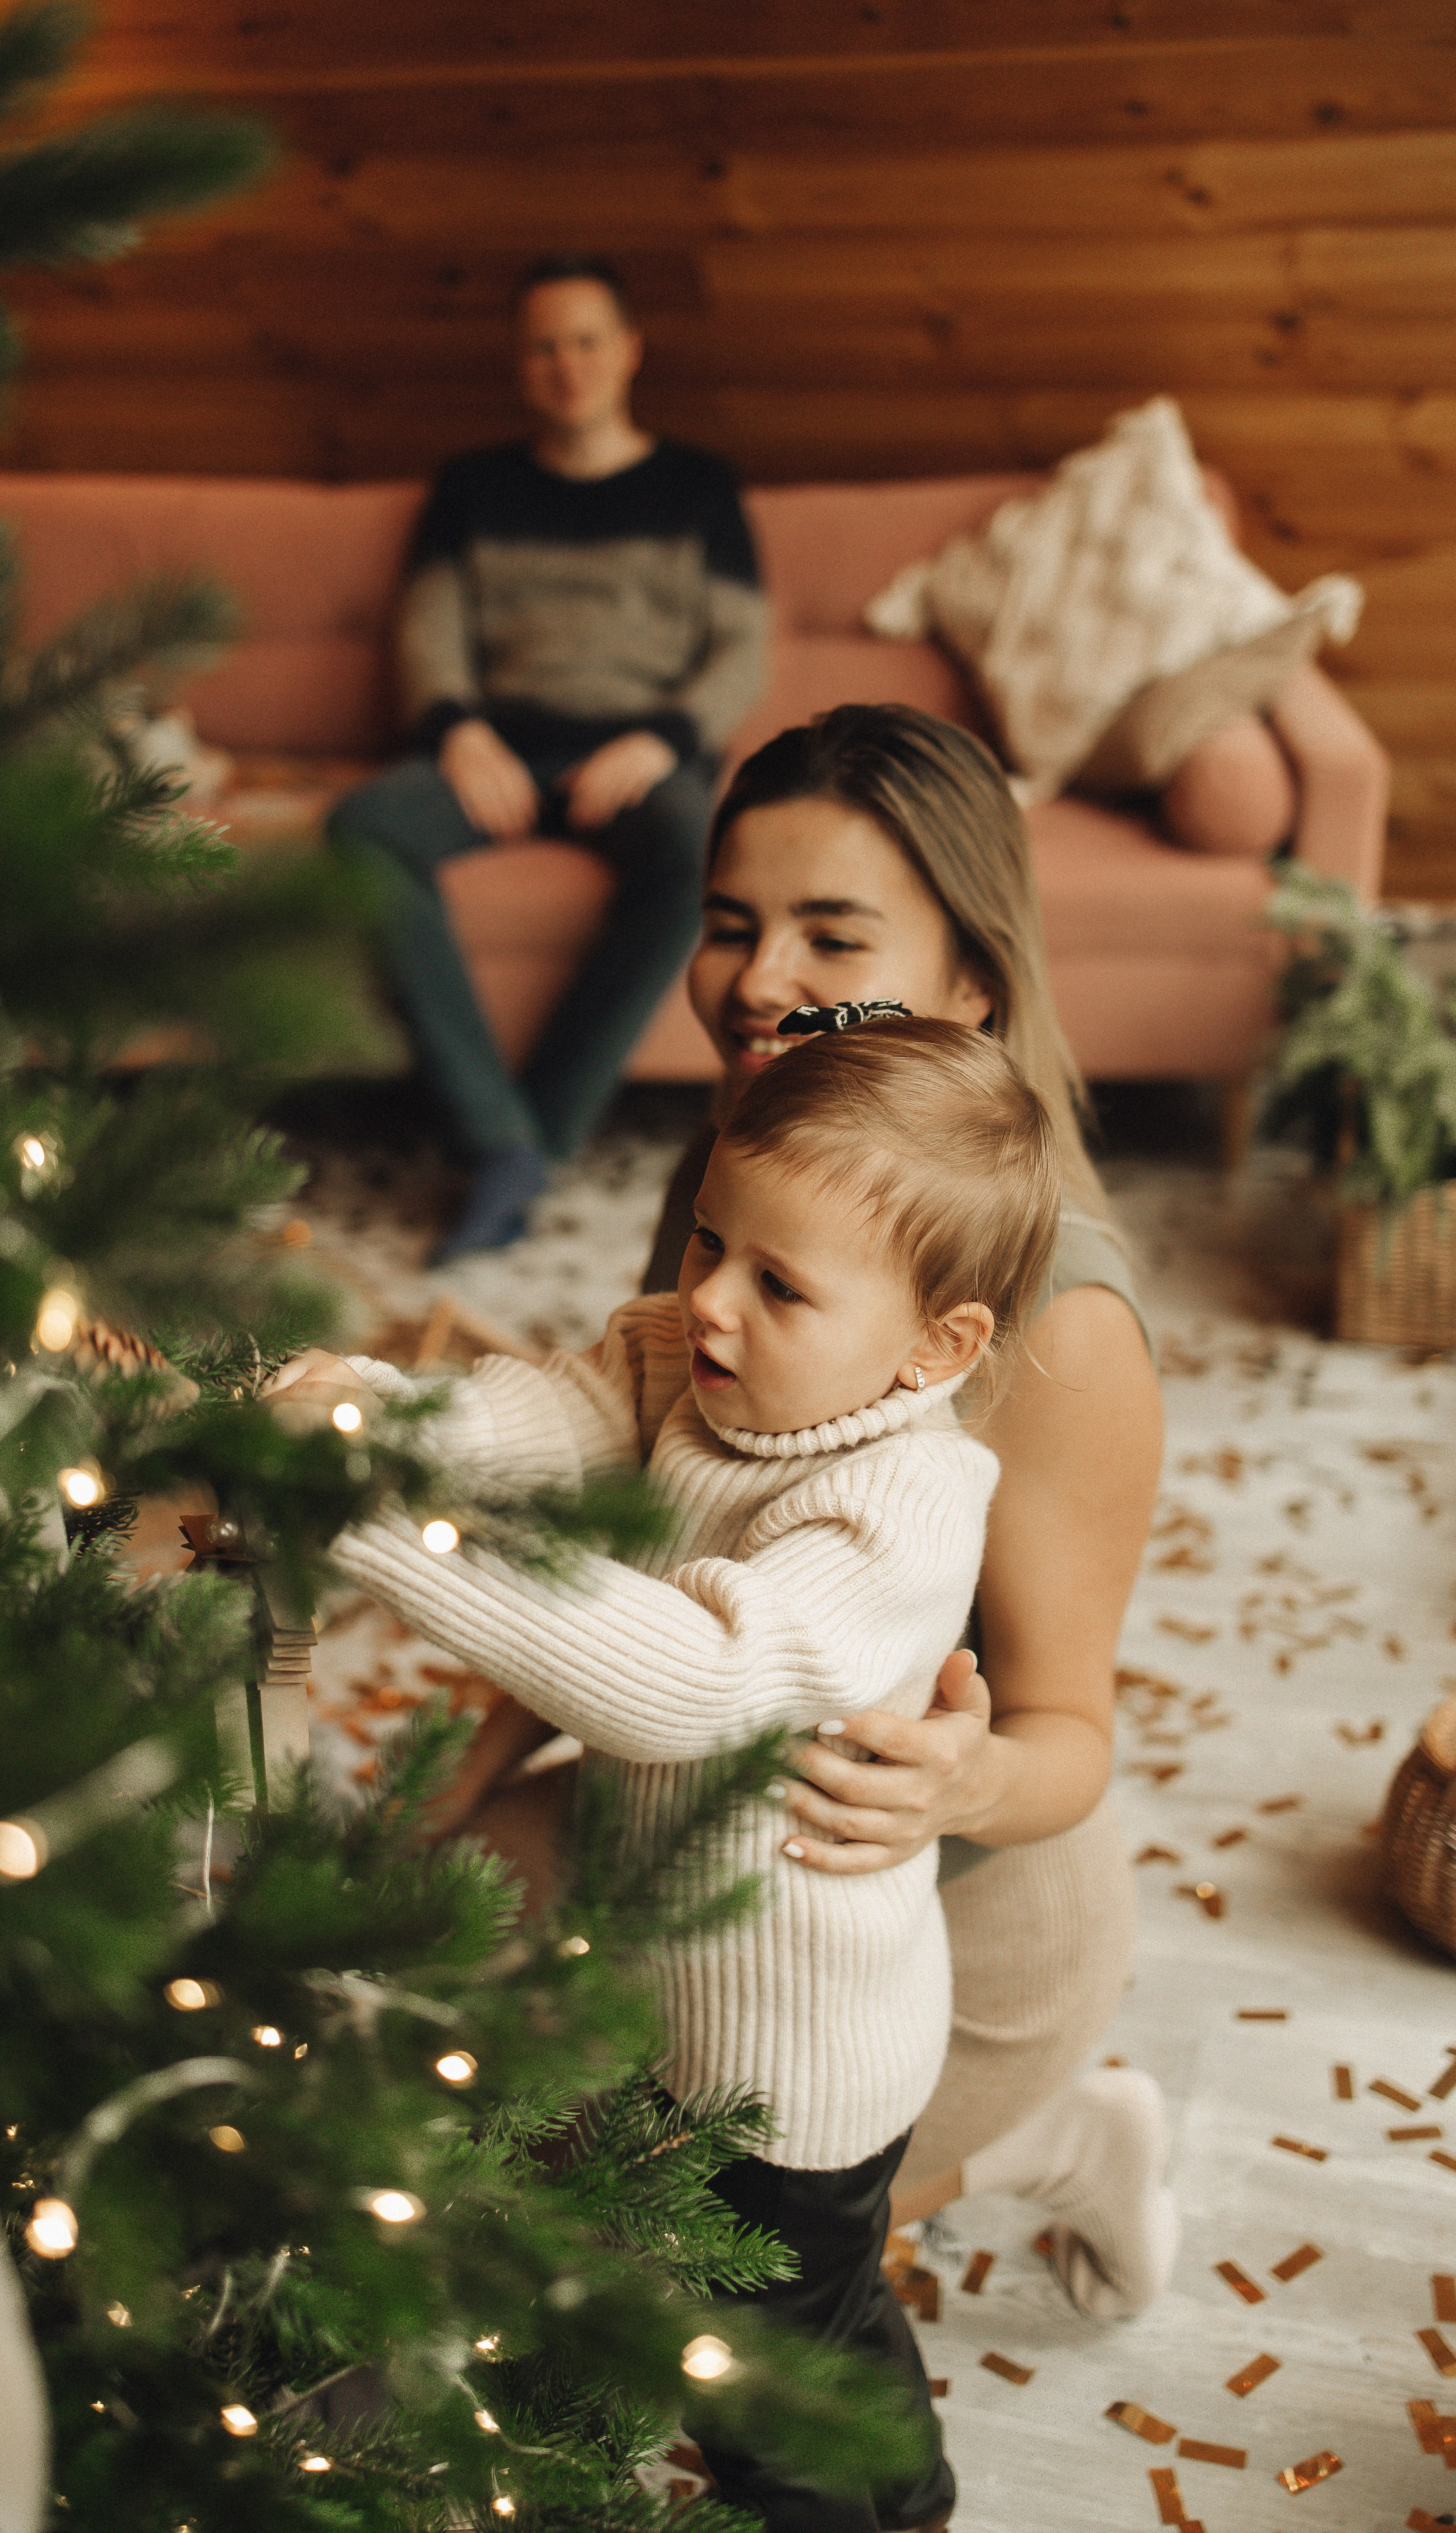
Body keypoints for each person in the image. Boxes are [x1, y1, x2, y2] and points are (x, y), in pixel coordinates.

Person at [445, 704, 1176, 2322]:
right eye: (727, 925)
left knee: (636, 2272)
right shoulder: (751, 1172)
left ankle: (1051, 2132)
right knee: (417, 1990)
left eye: (831, 935)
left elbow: (1070, 1738)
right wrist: (458, 1782)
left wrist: (960, 1774)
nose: (757, 982)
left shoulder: (1061, 1325)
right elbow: (628, 1537)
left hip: (932, 1919)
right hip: (697, 1806)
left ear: (973, 980)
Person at [285, 1014, 1061, 2533]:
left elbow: (696, 1681)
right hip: (674, 2004)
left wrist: (360, 1519)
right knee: (696, 2288)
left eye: (777, 1284)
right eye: (709, 1237)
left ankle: (890, 2517)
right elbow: (524, 1424)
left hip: (794, 2084)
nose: (705, 1298)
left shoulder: (902, 1506)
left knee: (779, 2377)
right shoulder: (678, 1359)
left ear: (935, 1345)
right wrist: (365, 1417)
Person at [328, 255, 769, 1260]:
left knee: (699, 853)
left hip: (642, 753)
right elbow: (430, 634)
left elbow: (741, 652)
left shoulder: (701, 486)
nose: (567, 365)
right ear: (521, 367)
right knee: (364, 828)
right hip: (500, 744)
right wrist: (459, 732)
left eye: (586, 342)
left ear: (628, 354)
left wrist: (663, 741)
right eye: (544, 346)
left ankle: (530, 1134)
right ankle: (500, 1138)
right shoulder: (471, 486)